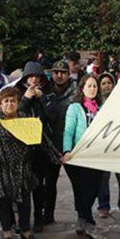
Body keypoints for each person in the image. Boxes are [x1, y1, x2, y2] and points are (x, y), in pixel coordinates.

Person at [0, 86, 61, 239]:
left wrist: (57, 157)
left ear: (17, 102)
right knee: (3, 201)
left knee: (25, 201)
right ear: (0, 103)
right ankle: (7, 232)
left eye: (13, 101)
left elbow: (43, 141)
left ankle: (25, 231)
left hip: (22, 168)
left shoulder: (25, 119)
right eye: (6, 101)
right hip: (0, 168)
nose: (9, 104)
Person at [63, 74, 107, 239]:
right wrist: (67, 150)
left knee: (95, 189)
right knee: (85, 190)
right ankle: (89, 222)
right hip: (78, 156)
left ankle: (81, 220)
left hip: (96, 157)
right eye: (89, 86)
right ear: (82, 88)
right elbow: (68, 131)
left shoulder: (101, 108)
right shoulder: (75, 108)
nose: (92, 89)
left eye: (95, 86)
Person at [18, 61, 52, 232]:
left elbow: (50, 117)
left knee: (39, 186)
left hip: (40, 148)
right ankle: (23, 221)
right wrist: (25, 98)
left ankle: (39, 217)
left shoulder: (45, 96)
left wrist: (42, 99)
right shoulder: (18, 95)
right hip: (22, 149)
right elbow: (16, 115)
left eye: (37, 77)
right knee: (23, 187)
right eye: (31, 77)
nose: (33, 80)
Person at [42, 60, 77, 224]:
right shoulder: (46, 90)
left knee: (79, 182)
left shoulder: (76, 90)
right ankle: (48, 213)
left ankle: (82, 215)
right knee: (49, 181)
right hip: (52, 141)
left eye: (63, 72)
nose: (60, 75)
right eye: (56, 72)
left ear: (69, 74)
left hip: (72, 142)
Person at [95, 72, 120, 219]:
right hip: (103, 145)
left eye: (108, 83)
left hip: (119, 143)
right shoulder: (95, 103)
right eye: (103, 83)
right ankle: (103, 205)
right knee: (103, 178)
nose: (106, 86)